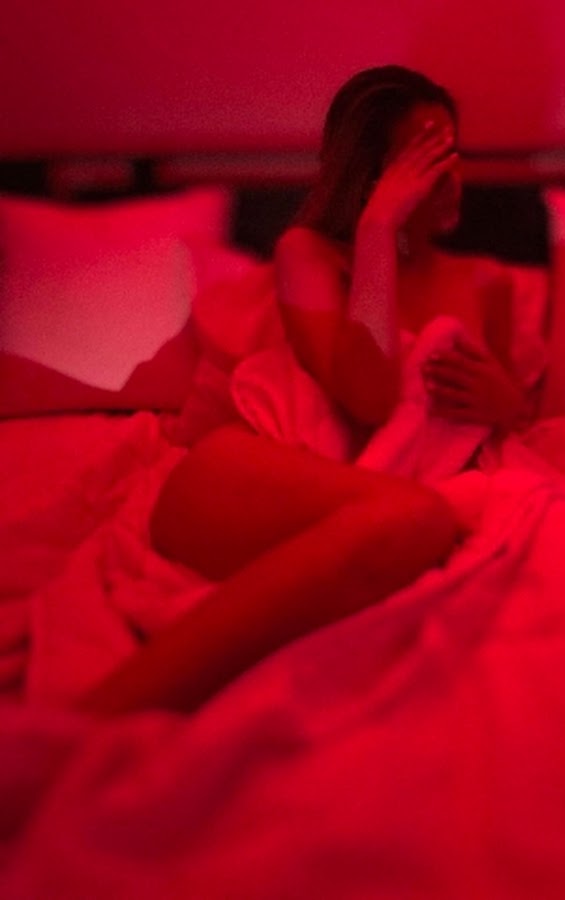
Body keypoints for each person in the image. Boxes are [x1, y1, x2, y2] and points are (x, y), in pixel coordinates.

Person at [79, 65, 529, 716]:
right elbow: (369, 396)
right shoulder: (310, 254)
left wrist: (506, 403)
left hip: (384, 514)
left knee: (418, 524)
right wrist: (377, 231)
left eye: (452, 152)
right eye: (426, 159)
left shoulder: (487, 283)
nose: (450, 176)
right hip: (250, 476)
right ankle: (89, 724)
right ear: (374, 175)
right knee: (418, 519)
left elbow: (515, 420)